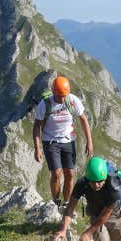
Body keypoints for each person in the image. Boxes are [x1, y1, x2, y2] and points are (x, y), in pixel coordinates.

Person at [52, 156, 121, 241]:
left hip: (115, 215)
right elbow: (70, 208)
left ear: (105, 178)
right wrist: (63, 229)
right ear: (88, 178)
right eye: (93, 182)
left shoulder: (114, 185)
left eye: (99, 182)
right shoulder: (82, 183)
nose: (96, 185)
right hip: (96, 215)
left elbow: (106, 214)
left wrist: (87, 233)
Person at [32, 75, 93, 207]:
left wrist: (89, 141)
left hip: (68, 141)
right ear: (53, 92)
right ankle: (55, 202)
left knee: (70, 174)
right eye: (59, 96)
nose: (62, 98)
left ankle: (66, 203)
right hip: (50, 141)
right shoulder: (45, 104)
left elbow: (83, 119)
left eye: (64, 95)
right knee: (56, 173)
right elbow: (37, 126)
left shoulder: (72, 100)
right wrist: (37, 148)